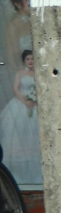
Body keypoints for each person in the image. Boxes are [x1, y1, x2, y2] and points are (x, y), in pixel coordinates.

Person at [0, 50, 40, 187]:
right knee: (18, 133)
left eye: (32, 59)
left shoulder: (38, 74)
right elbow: (15, 89)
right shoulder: (20, 73)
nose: (30, 61)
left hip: (35, 104)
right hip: (21, 103)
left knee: (34, 134)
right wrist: (25, 101)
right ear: (24, 61)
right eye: (28, 59)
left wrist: (34, 100)